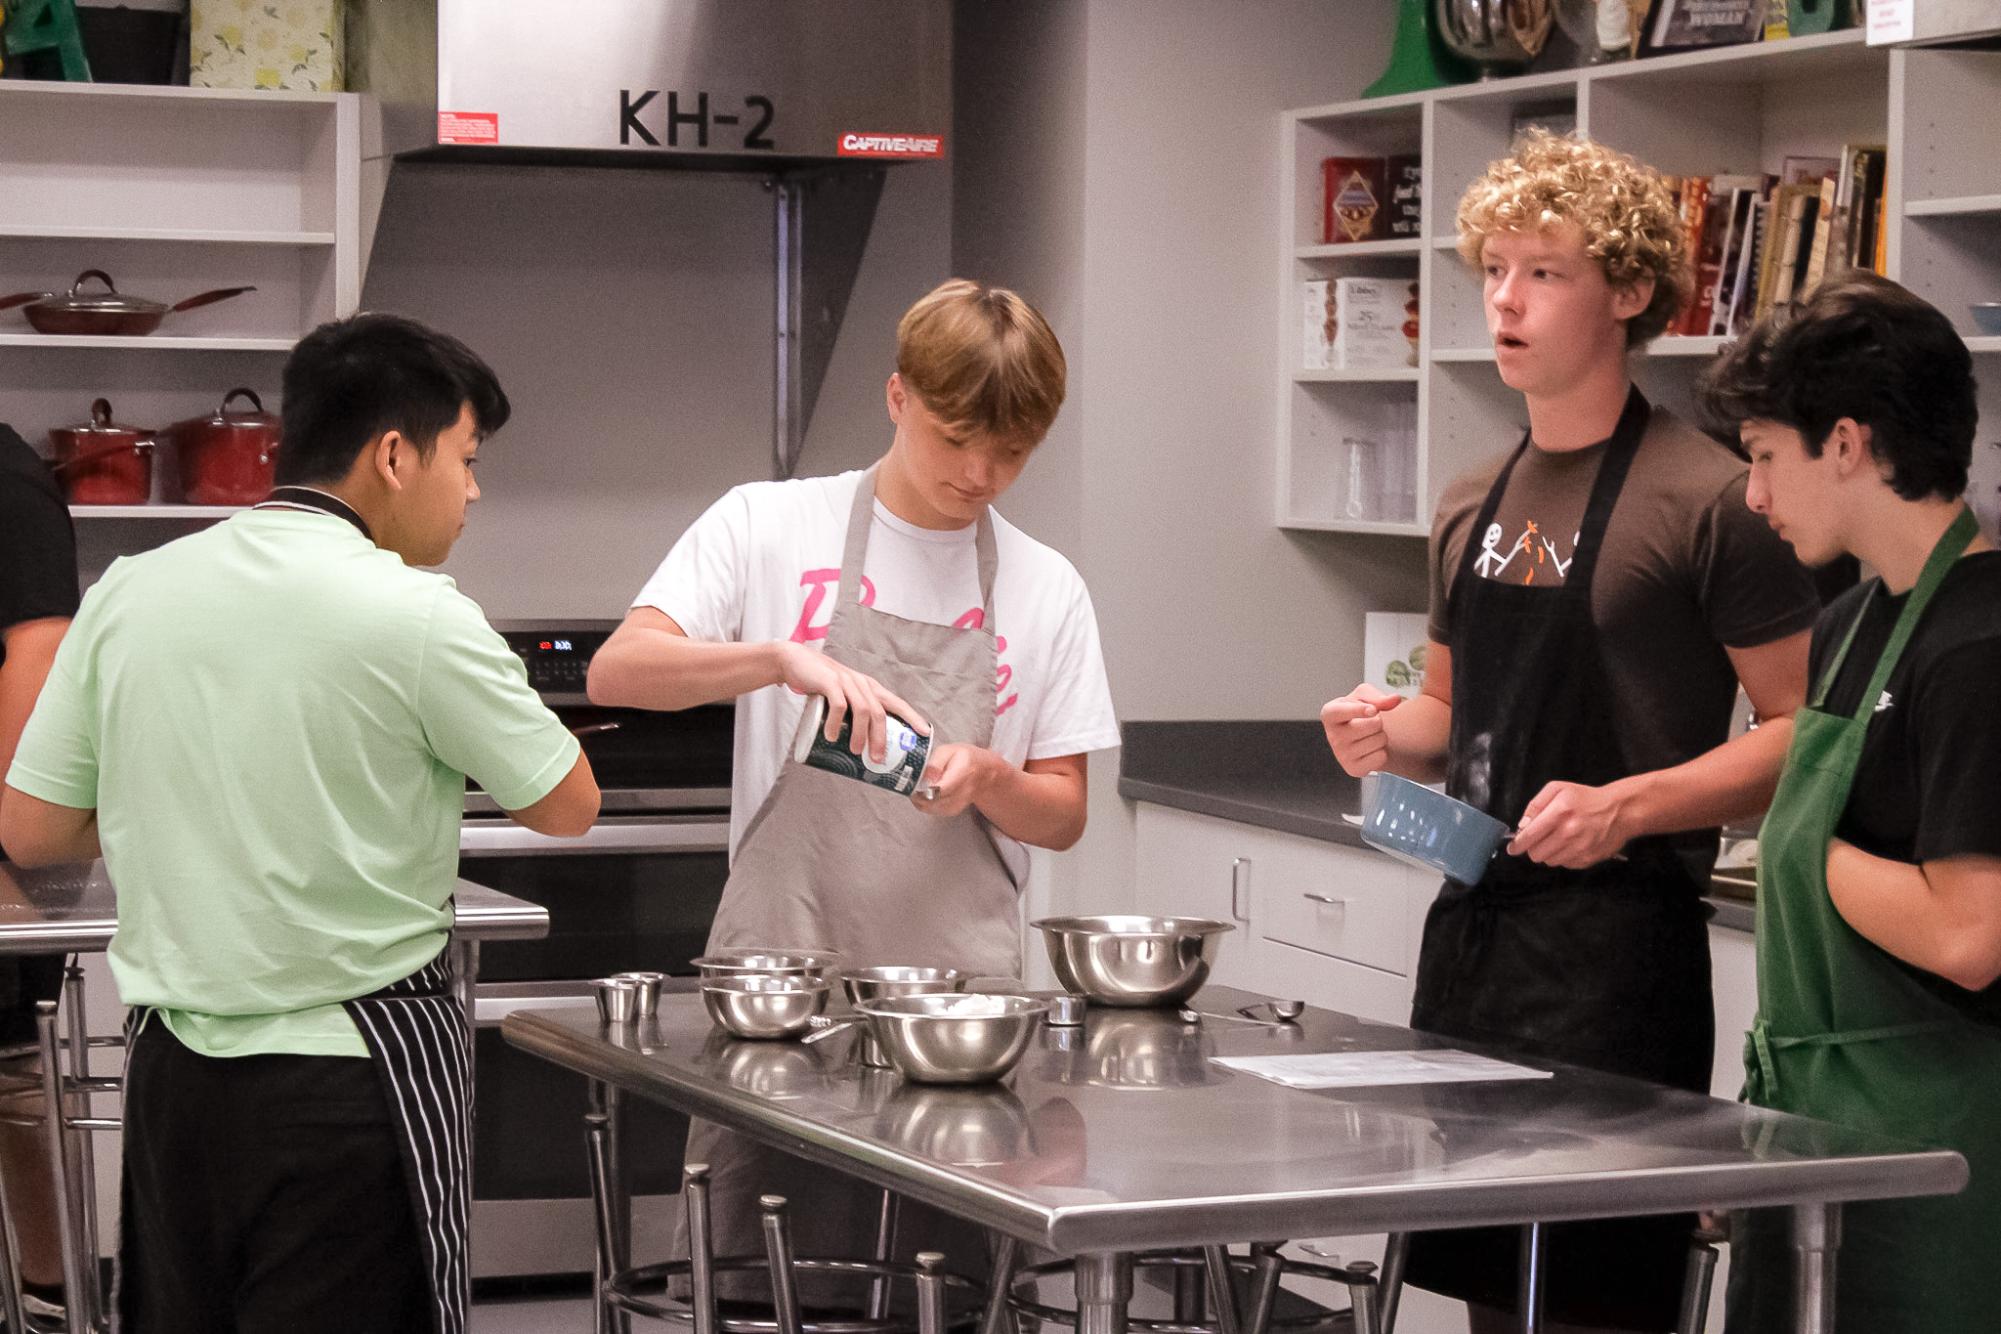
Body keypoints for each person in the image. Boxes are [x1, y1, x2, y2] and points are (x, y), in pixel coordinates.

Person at [0, 313, 599, 1334]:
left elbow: (34, 827)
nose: (473, 490)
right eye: (466, 457)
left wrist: (184, 788)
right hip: (350, 1080)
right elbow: (567, 801)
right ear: (394, 454)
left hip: (174, 1082)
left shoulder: (134, 589)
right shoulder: (416, 614)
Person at [1319, 132, 1820, 1334]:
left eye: (1543, 271)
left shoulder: (1711, 498)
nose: (1505, 298)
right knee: (1489, 1294)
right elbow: (1452, 716)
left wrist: (1630, 804)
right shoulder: (1466, 499)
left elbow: (1807, 731)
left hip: (1620, 964)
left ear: (1630, 292)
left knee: (1594, 1303)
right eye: (1493, 268)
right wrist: (1386, 732)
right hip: (1474, 944)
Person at [589, 277, 1119, 1296]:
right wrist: (777, 660)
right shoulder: (768, 524)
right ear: (897, 397)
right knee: (757, 1289)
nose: (979, 472)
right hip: (780, 1021)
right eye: (957, 437)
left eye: (1012, 452)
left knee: (948, 1299)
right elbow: (621, 669)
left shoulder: (1047, 586)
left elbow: (1064, 810)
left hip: (958, 1037)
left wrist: (993, 776)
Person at [1697, 272, 2001, 1334]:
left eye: (1766, 456)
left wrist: (1801, 840)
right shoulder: (1849, 621)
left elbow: (1971, 933)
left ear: (1846, 443)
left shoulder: (1980, 642)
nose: (1754, 494)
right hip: (1814, 1130)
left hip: (1936, 1152)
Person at [0, 414, 80, 1323]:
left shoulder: (7, 479)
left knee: (17, 1073)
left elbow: (42, 643)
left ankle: (48, 1302)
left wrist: (17, 826)